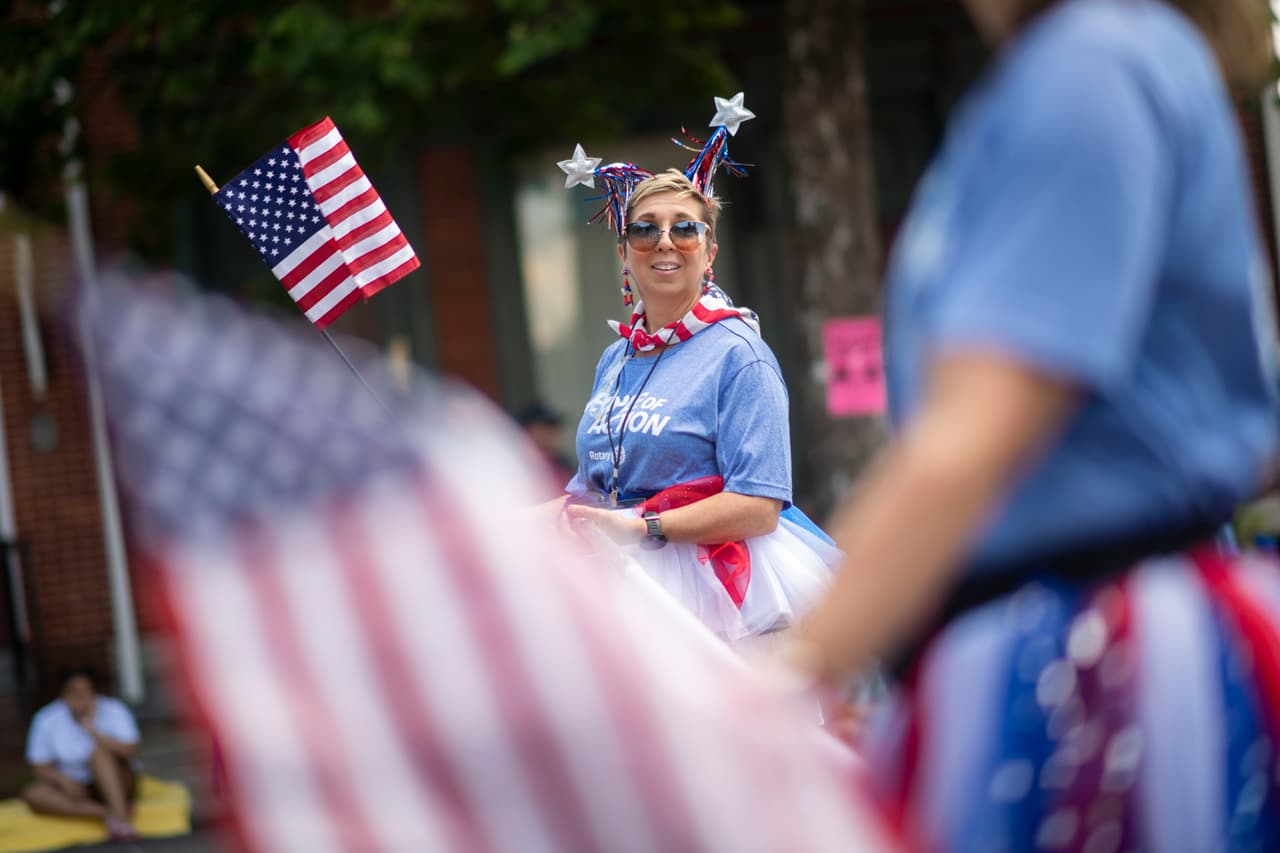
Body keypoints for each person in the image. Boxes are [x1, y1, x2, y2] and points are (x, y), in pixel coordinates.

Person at [777, 0, 1280, 849]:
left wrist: (777, 681)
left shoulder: (1091, 63)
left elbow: (974, 439)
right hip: (1083, 647)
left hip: (1094, 671)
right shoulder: (1097, 62)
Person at [555, 103, 839, 644]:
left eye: (685, 229)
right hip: (620, 587)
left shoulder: (740, 354)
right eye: (645, 230)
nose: (664, 241)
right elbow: (593, 491)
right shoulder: (615, 359)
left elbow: (759, 507)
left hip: (718, 597)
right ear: (624, 252)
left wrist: (642, 527)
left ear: (709, 252)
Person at [21, 667, 141, 841]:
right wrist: (62, 780)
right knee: (33, 794)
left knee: (100, 755)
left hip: (120, 782)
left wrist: (94, 732)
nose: (83, 699)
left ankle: (120, 818)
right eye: (76, 693)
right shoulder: (47, 718)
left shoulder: (114, 709)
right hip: (76, 790)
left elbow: (131, 750)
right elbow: (39, 767)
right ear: (63, 695)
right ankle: (109, 813)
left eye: (88, 692)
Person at [515, 400, 577, 493]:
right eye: (545, 427)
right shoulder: (516, 469)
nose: (553, 433)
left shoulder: (563, 464)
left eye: (554, 427)